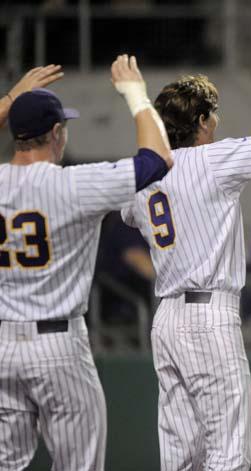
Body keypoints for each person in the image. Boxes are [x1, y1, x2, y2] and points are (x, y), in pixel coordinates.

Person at [120, 55, 251, 470]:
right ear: (202, 120)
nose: (216, 121)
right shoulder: (212, 159)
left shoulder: (144, 173)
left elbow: (130, 216)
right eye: (213, 114)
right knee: (227, 452)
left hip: (166, 318)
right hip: (209, 317)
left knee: (180, 456)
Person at [0, 55, 172, 470]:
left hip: (3, 345)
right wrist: (136, 94)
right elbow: (157, 159)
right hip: (58, 345)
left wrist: (9, 100)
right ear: (56, 133)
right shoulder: (74, 184)